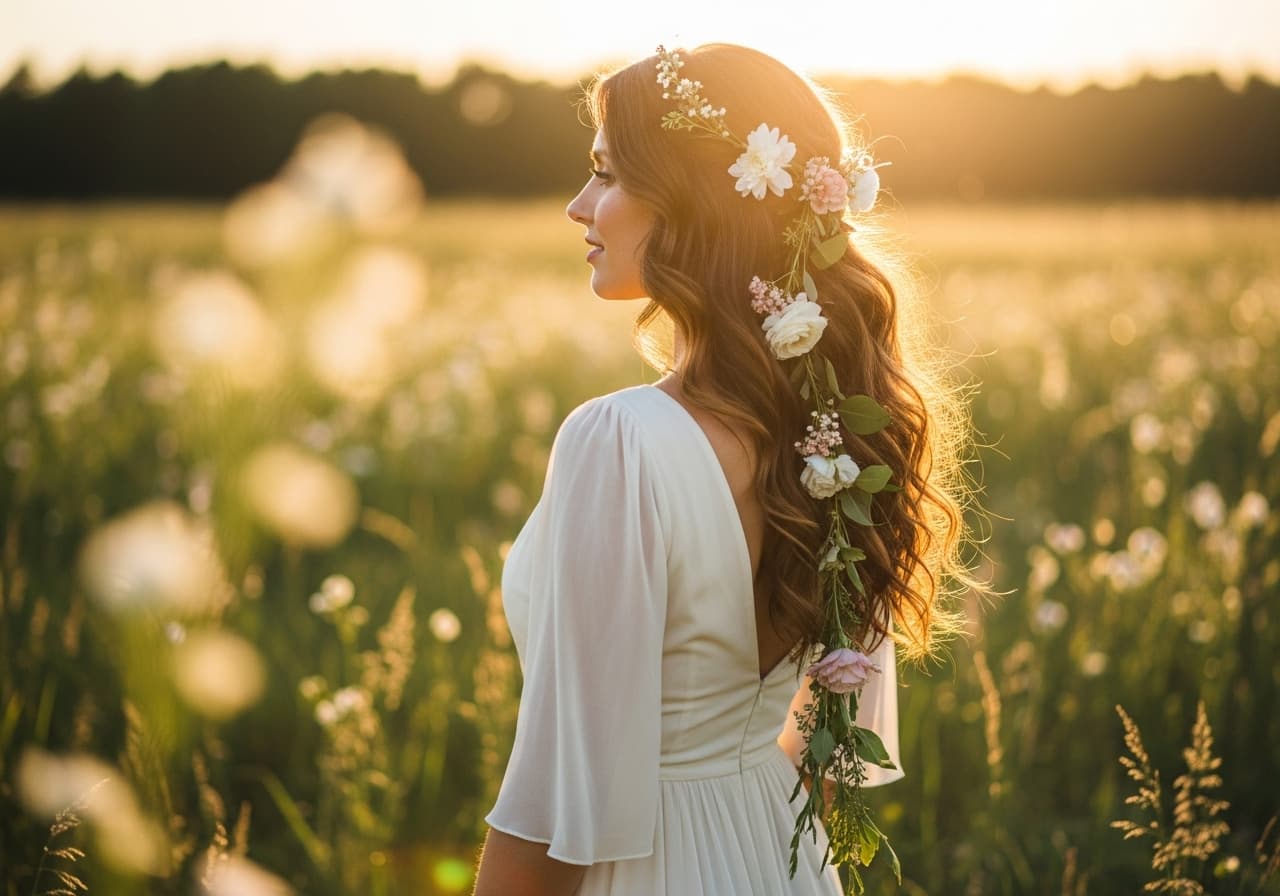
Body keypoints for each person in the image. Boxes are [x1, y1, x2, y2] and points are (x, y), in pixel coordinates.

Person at [473, 43, 982, 895]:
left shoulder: (622, 442)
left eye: (606, 174)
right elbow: (829, 745)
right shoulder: (841, 436)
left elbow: (557, 816)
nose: (578, 205)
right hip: (777, 853)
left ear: (696, 202)